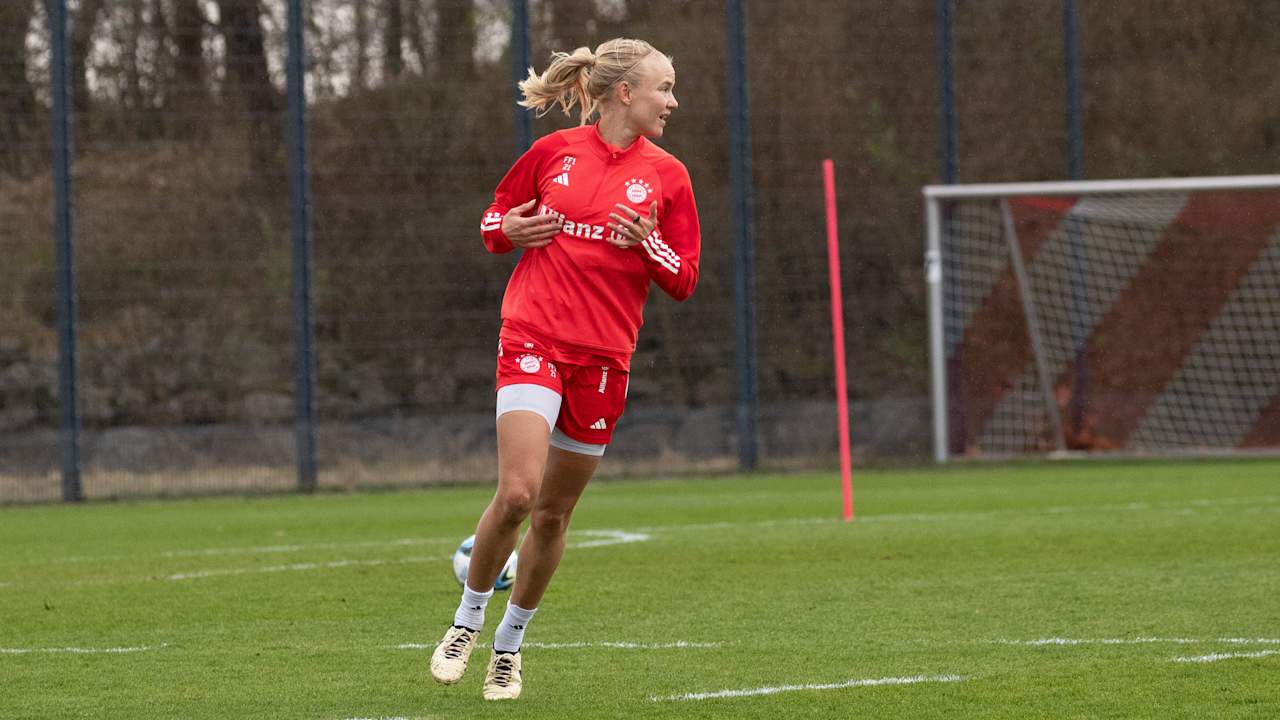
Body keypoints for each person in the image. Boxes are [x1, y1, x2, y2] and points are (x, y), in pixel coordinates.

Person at [428, 38, 699, 701]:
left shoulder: (670, 176)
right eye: (663, 88)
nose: (673, 100)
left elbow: (686, 278)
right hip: (532, 336)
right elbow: (495, 219)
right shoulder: (553, 154)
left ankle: (510, 645)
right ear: (623, 93)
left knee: (551, 516)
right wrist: (507, 232)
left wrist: (650, 245)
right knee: (518, 493)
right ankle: (465, 623)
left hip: (604, 359)